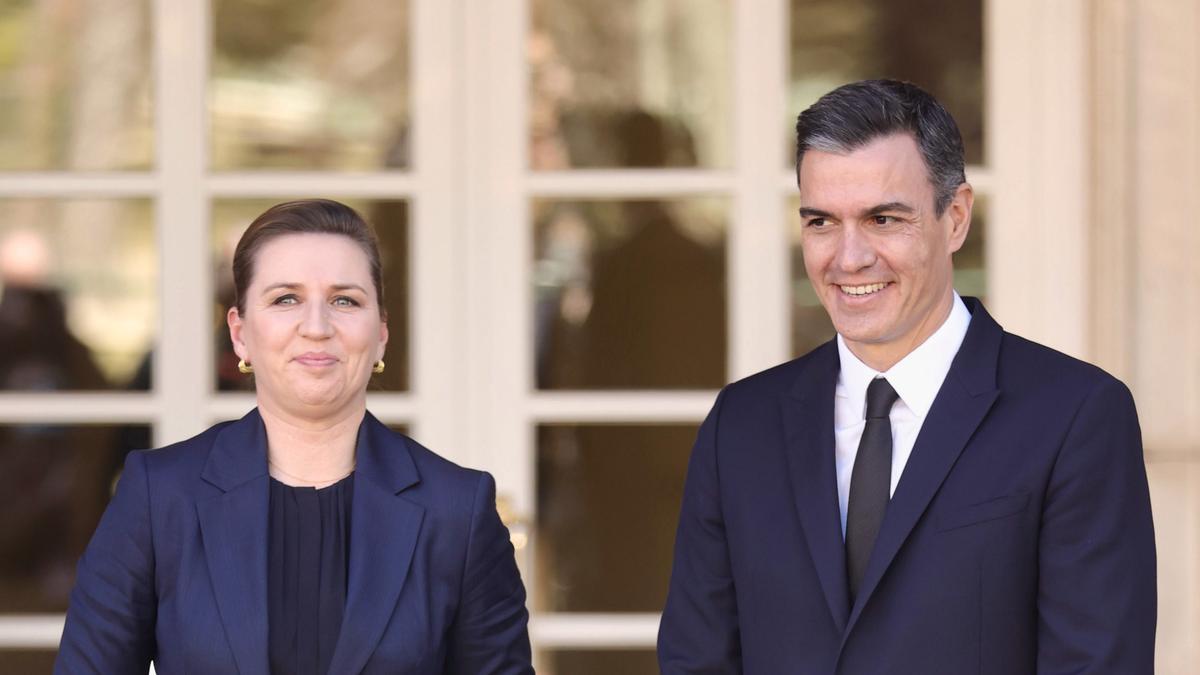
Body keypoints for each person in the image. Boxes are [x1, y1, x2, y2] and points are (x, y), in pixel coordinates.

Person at [658, 80, 1156, 673]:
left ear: (956, 219)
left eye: (883, 219)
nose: (848, 258)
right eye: (821, 222)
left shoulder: (1075, 416)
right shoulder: (739, 425)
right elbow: (698, 658)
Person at [56, 199, 533, 674]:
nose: (317, 327)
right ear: (240, 333)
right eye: (286, 299)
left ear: (381, 332)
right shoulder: (159, 498)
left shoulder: (458, 510)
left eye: (345, 300)